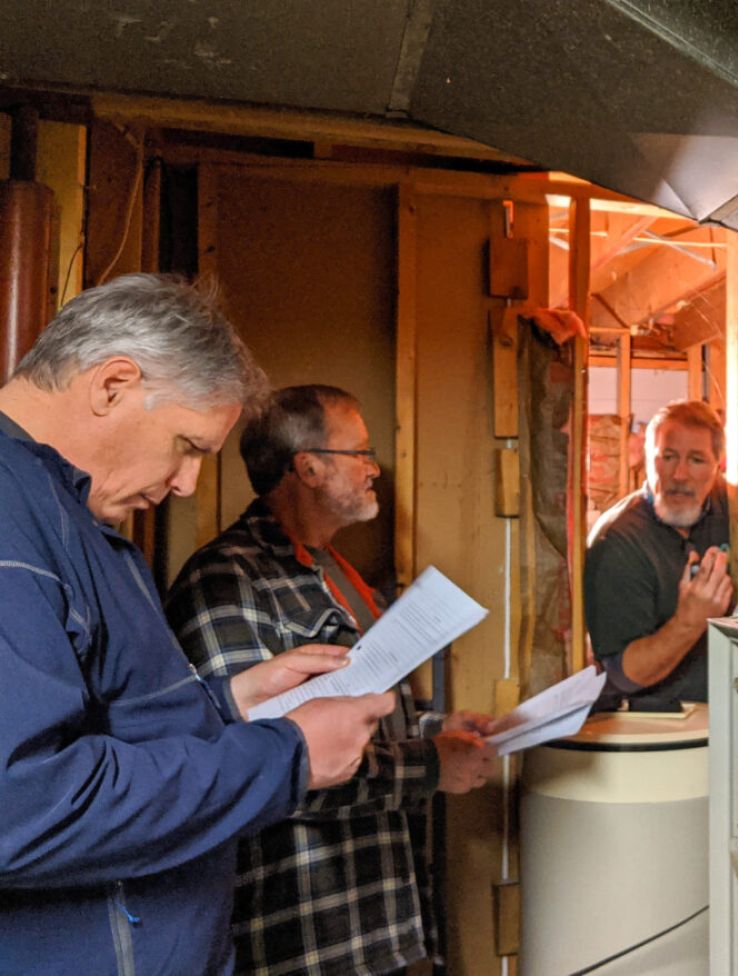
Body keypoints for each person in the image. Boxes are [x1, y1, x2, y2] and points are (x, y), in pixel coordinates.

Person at [0, 274, 394, 976]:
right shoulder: (12, 517)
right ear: (113, 385)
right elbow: (22, 805)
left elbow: (103, 722)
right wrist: (288, 755)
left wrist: (230, 701)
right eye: (186, 445)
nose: (186, 485)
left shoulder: (68, 508)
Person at [165, 384, 496, 976]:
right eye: (361, 453)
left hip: (379, 919)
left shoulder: (337, 571)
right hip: (301, 932)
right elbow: (265, 762)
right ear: (309, 467)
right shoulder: (224, 581)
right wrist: (432, 764)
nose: (374, 469)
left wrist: (433, 727)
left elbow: (349, 719)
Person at [584, 399, 738, 704]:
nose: (680, 474)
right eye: (667, 457)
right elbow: (622, 674)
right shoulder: (617, 541)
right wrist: (690, 620)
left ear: (718, 464)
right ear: (646, 459)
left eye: (696, 460)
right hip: (656, 727)